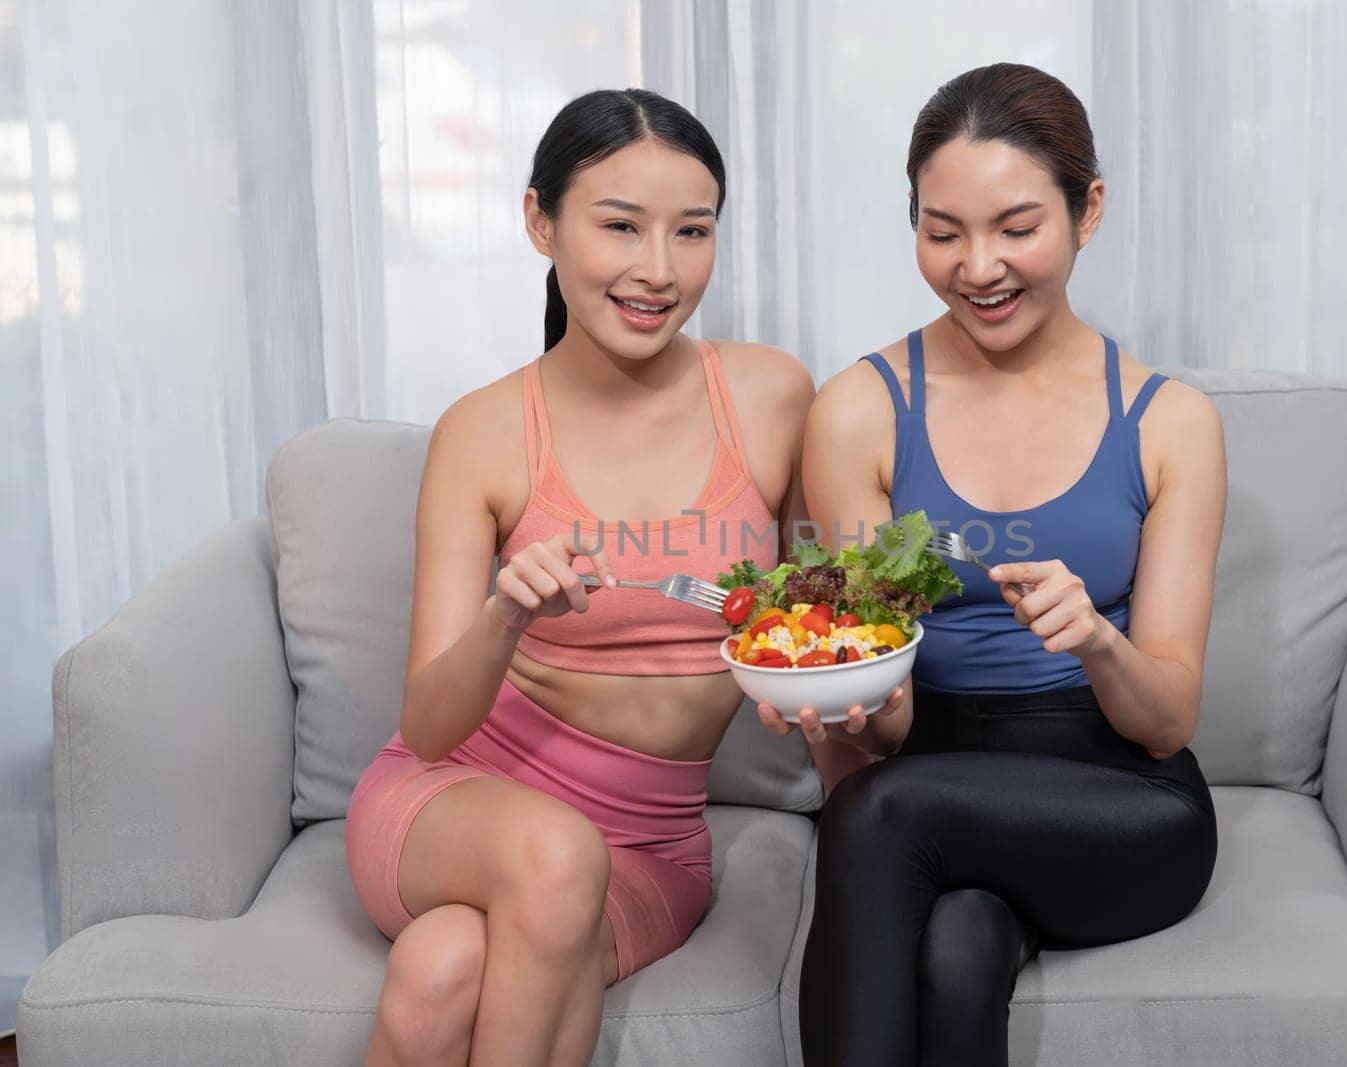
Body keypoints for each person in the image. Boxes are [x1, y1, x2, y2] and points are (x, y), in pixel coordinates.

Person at [759, 63, 1227, 1066]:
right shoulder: (858, 410)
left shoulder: (1171, 422)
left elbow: (1168, 717)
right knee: (958, 943)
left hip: (1122, 802)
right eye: (942, 230)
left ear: (1086, 209)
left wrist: (1099, 639)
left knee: (886, 814)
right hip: (925, 786)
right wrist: (848, 705)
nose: (978, 266)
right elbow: (867, 754)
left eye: (1017, 227)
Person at [344, 88, 813, 1066]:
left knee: (441, 965)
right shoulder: (483, 428)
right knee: (551, 852)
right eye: (619, 225)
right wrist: (504, 616)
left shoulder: (768, 395)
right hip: (457, 801)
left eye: (691, 231)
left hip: (649, 844)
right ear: (539, 221)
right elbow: (429, 723)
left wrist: (821, 683)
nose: (657, 269)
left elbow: (815, 617)